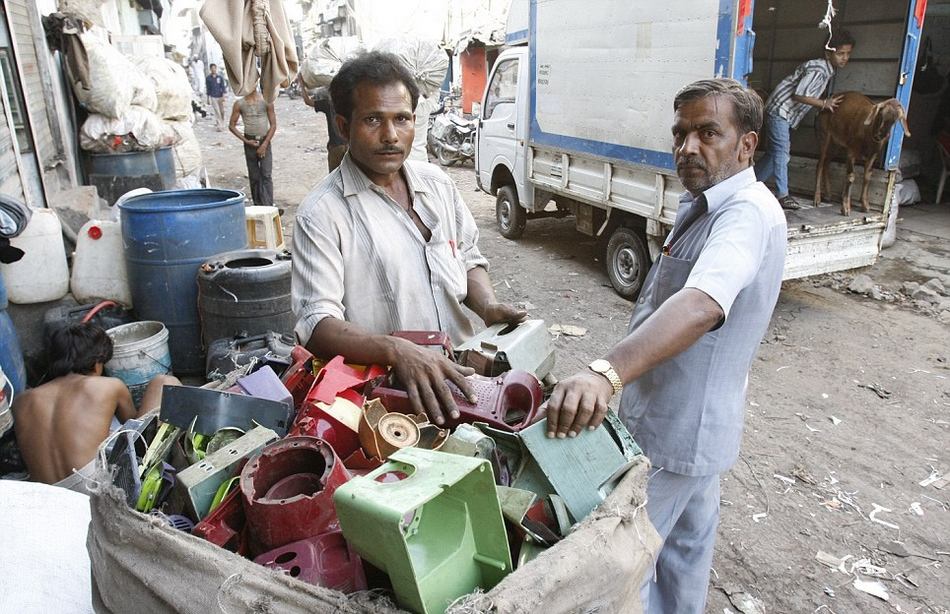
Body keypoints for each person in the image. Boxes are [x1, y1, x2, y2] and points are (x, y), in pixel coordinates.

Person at [546, 79, 787, 613]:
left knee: (621, 563)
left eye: (708, 133)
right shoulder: (704, 203)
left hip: (677, 429)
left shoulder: (744, 213)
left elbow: (701, 304)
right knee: (682, 558)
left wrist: (605, 373)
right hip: (686, 429)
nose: (688, 147)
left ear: (746, 144)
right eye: (680, 133)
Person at [291, 51, 525, 425]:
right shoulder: (321, 214)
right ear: (343, 124)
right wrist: (396, 351)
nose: (390, 136)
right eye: (372, 120)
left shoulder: (438, 185)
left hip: (463, 377)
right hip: (389, 401)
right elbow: (317, 324)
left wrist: (488, 307)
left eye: (402, 119)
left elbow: (467, 256)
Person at [12, 323, 180, 493]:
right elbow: (135, 434)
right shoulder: (109, 386)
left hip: (48, 494)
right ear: (97, 361)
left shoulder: (21, 401)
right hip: (93, 488)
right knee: (164, 382)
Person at [755, 30, 855, 209]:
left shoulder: (827, 70)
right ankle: (782, 195)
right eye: (840, 54)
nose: (844, 58)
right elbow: (799, 94)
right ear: (828, 53)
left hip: (781, 111)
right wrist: (824, 103)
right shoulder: (819, 69)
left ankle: (749, 185)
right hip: (780, 110)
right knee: (782, 153)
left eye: (848, 54)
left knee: (775, 154)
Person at [229, 89, 277, 207]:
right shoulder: (240, 104)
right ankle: (258, 205)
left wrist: (264, 144)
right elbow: (231, 126)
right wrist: (246, 141)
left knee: (266, 174)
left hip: (264, 140)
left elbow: (273, 125)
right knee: (254, 176)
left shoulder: (266, 101)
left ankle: (269, 206)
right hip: (249, 142)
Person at [299, 78, 347, 172]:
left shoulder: (328, 104)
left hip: (335, 147)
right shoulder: (350, 103)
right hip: (350, 147)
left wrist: (302, 84)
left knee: (334, 180)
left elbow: (308, 101)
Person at [205, 63, 228, 131]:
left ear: (216, 68)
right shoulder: (208, 78)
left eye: (214, 68)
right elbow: (208, 88)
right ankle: (219, 125)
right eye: (212, 68)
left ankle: (223, 122)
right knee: (217, 111)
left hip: (220, 96)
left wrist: (223, 96)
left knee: (222, 111)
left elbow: (223, 87)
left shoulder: (220, 77)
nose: (213, 70)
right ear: (210, 69)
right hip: (213, 96)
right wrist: (208, 98)